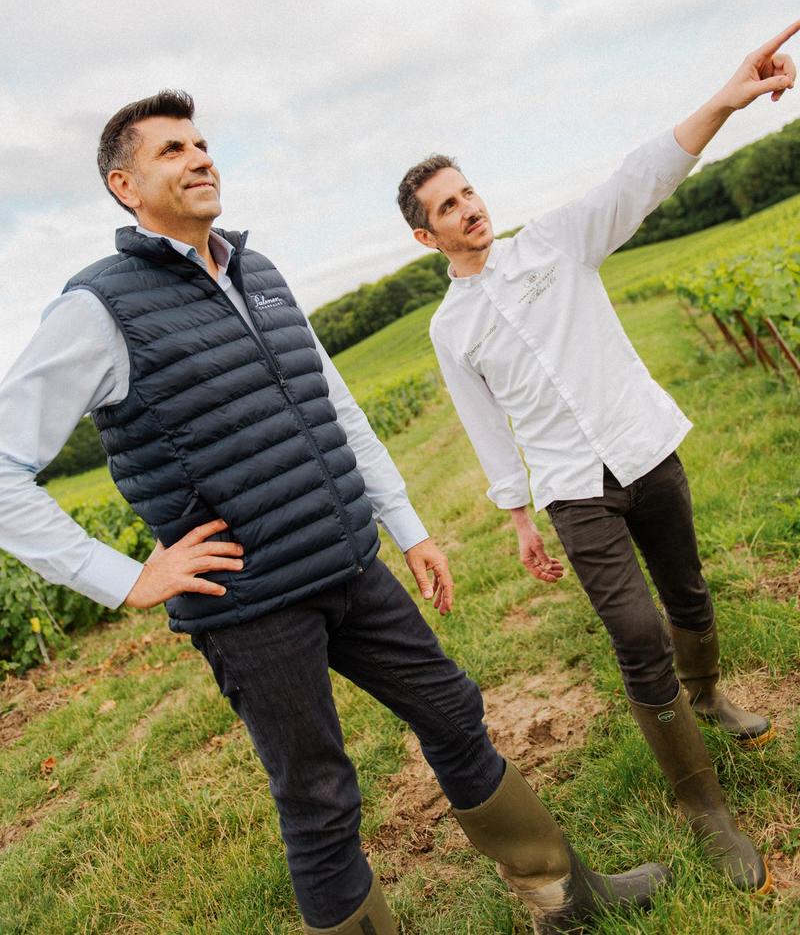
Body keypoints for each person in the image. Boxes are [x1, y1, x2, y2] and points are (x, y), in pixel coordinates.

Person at [0, 91, 674, 935]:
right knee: (319, 796)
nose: (201, 157)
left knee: (454, 711)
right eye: (173, 150)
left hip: (352, 563)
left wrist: (407, 527)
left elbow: (338, 408)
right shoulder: (99, 310)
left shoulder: (261, 271)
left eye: (204, 142)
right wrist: (127, 578)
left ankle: (563, 898)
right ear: (124, 185)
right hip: (250, 604)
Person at [398, 21, 800, 898]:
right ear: (428, 239)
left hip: (644, 449)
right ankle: (705, 811)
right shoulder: (449, 328)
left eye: (469, 192)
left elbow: (643, 175)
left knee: (688, 593)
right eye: (449, 207)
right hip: (576, 493)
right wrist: (515, 518)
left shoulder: (556, 243)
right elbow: (485, 426)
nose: (470, 208)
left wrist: (727, 101)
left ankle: (711, 698)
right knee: (635, 633)